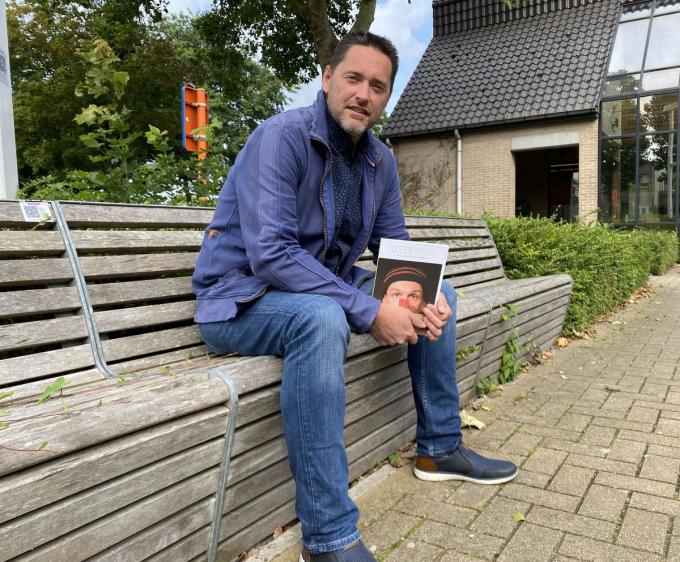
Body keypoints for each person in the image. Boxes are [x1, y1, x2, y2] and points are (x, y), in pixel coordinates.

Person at [192, 31, 517, 562]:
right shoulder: (280, 138)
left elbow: (393, 248)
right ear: (327, 79)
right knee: (322, 318)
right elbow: (271, 254)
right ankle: (328, 537)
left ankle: (438, 448)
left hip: (317, 287)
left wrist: (421, 291)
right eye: (353, 78)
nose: (364, 94)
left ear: (386, 97)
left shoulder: (378, 161)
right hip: (239, 299)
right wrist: (368, 310)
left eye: (378, 86)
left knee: (441, 294)